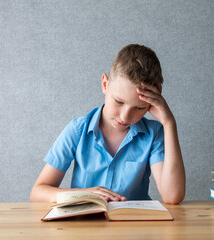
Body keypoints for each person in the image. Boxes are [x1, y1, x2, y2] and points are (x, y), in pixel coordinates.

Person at [30, 44, 185, 204]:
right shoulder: (78, 130)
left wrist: (169, 123)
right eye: (119, 101)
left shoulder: (154, 134)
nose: (125, 117)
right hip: (85, 225)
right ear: (105, 84)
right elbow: (38, 192)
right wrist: (83, 194)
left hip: (134, 225)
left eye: (139, 108)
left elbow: (172, 196)